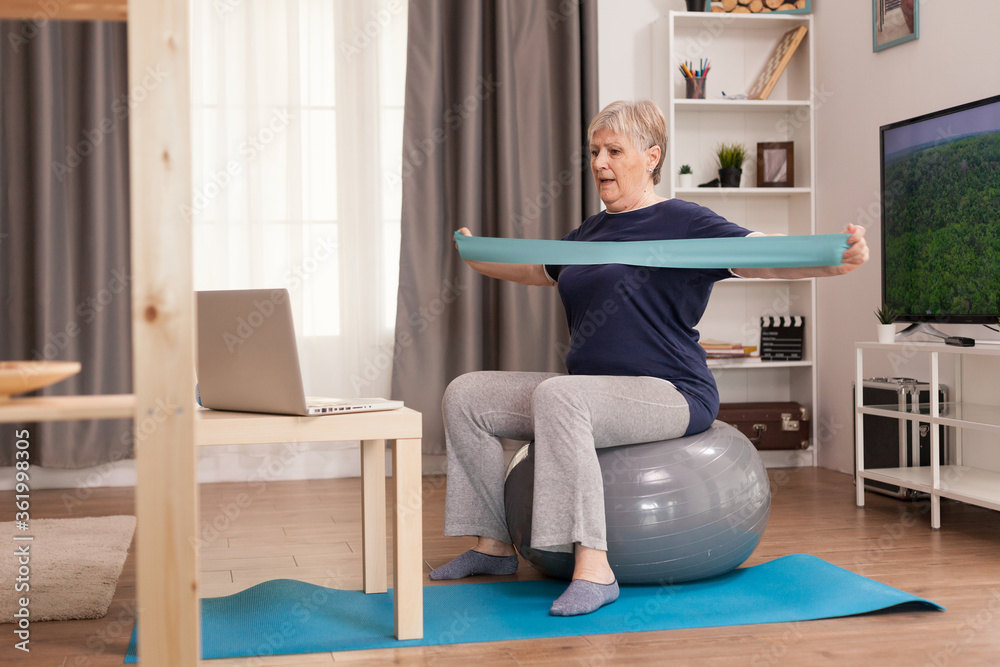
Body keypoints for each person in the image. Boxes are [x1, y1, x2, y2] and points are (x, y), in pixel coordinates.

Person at [430, 99, 869, 616]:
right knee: (467, 395)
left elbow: (758, 254)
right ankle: (495, 546)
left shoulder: (683, 221)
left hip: (670, 391)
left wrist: (830, 259)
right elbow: (534, 271)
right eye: (594, 151)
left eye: (614, 150)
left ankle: (594, 569)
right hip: (587, 395)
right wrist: (476, 253)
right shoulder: (589, 233)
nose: (599, 163)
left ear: (651, 156)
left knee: (560, 394)